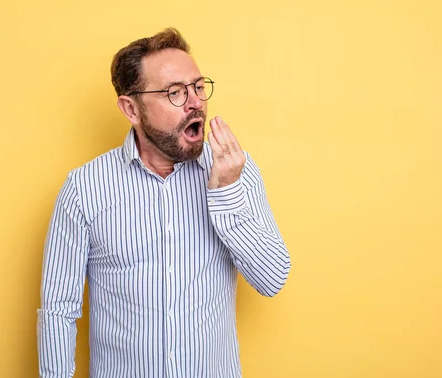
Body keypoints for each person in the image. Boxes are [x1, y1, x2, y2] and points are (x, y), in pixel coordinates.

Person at [37, 27, 291, 378]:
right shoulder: (84, 189)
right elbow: (58, 310)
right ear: (131, 109)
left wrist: (226, 194)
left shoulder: (236, 170)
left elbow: (272, 278)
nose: (195, 102)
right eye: (175, 92)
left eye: (198, 87)